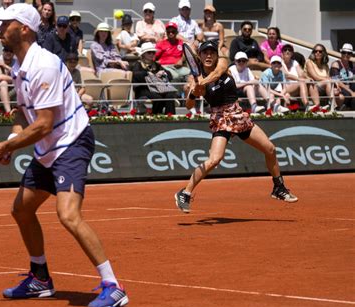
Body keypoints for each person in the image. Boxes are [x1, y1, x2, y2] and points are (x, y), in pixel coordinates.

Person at [0, 4, 129, 307]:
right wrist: (11, 140)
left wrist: (8, 147)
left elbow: (45, 123)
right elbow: (24, 115)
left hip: (71, 142)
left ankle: (113, 286)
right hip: (48, 148)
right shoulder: (19, 67)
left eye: (4, 24)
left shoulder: (43, 65)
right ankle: (40, 279)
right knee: (22, 211)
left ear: (23, 29)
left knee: (68, 215)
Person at [175, 40, 298, 213]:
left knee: (270, 149)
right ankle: (185, 193)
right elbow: (188, 105)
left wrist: (202, 83)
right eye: (205, 53)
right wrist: (194, 93)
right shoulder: (196, 79)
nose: (209, 55)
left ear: (217, 55)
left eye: (212, 52)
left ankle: (278, 187)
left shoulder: (223, 63)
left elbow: (217, 74)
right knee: (214, 160)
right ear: (199, 56)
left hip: (238, 115)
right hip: (220, 118)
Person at [131, 42, 177, 114]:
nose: (152, 54)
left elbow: (169, 75)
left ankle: (170, 117)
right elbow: (135, 76)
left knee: (170, 95)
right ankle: (156, 116)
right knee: (158, 97)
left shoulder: (156, 64)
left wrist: (164, 73)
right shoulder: (138, 64)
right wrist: (149, 74)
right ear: (143, 54)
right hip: (143, 89)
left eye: (153, 52)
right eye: (149, 52)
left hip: (157, 88)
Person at [305, 43, 344, 110]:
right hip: (313, 87)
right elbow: (315, 77)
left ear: (323, 53)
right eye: (315, 51)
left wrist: (334, 84)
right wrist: (329, 80)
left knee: (341, 96)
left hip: (324, 86)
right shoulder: (309, 62)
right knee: (328, 81)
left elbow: (328, 78)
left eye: (320, 51)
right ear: (313, 52)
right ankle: (333, 106)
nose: (317, 53)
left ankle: (337, 109)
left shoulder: (325, 65)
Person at [280, 43, 314, 110]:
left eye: (289, 50)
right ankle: (306, 105)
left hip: (297, 87)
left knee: (311, 83)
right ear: (282, 53)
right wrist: (299, 79)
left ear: (292, 53)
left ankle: (317, 106)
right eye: (285, 50)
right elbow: (286, 75)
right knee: (301, 82)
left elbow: (301, 73)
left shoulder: (295, 62)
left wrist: (308, 78)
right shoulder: (279, 63)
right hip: (285, 88)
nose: (287, 51)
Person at [330, 43, 354, 110]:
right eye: (344, 52)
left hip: (350, 88)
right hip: (340, 88)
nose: (346, 55)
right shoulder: (336, 64)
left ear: (351, 55)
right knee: (347, 95)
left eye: (349, 53)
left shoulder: (352, 65)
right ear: (341, 53)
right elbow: (336, 80)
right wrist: (351, 92)